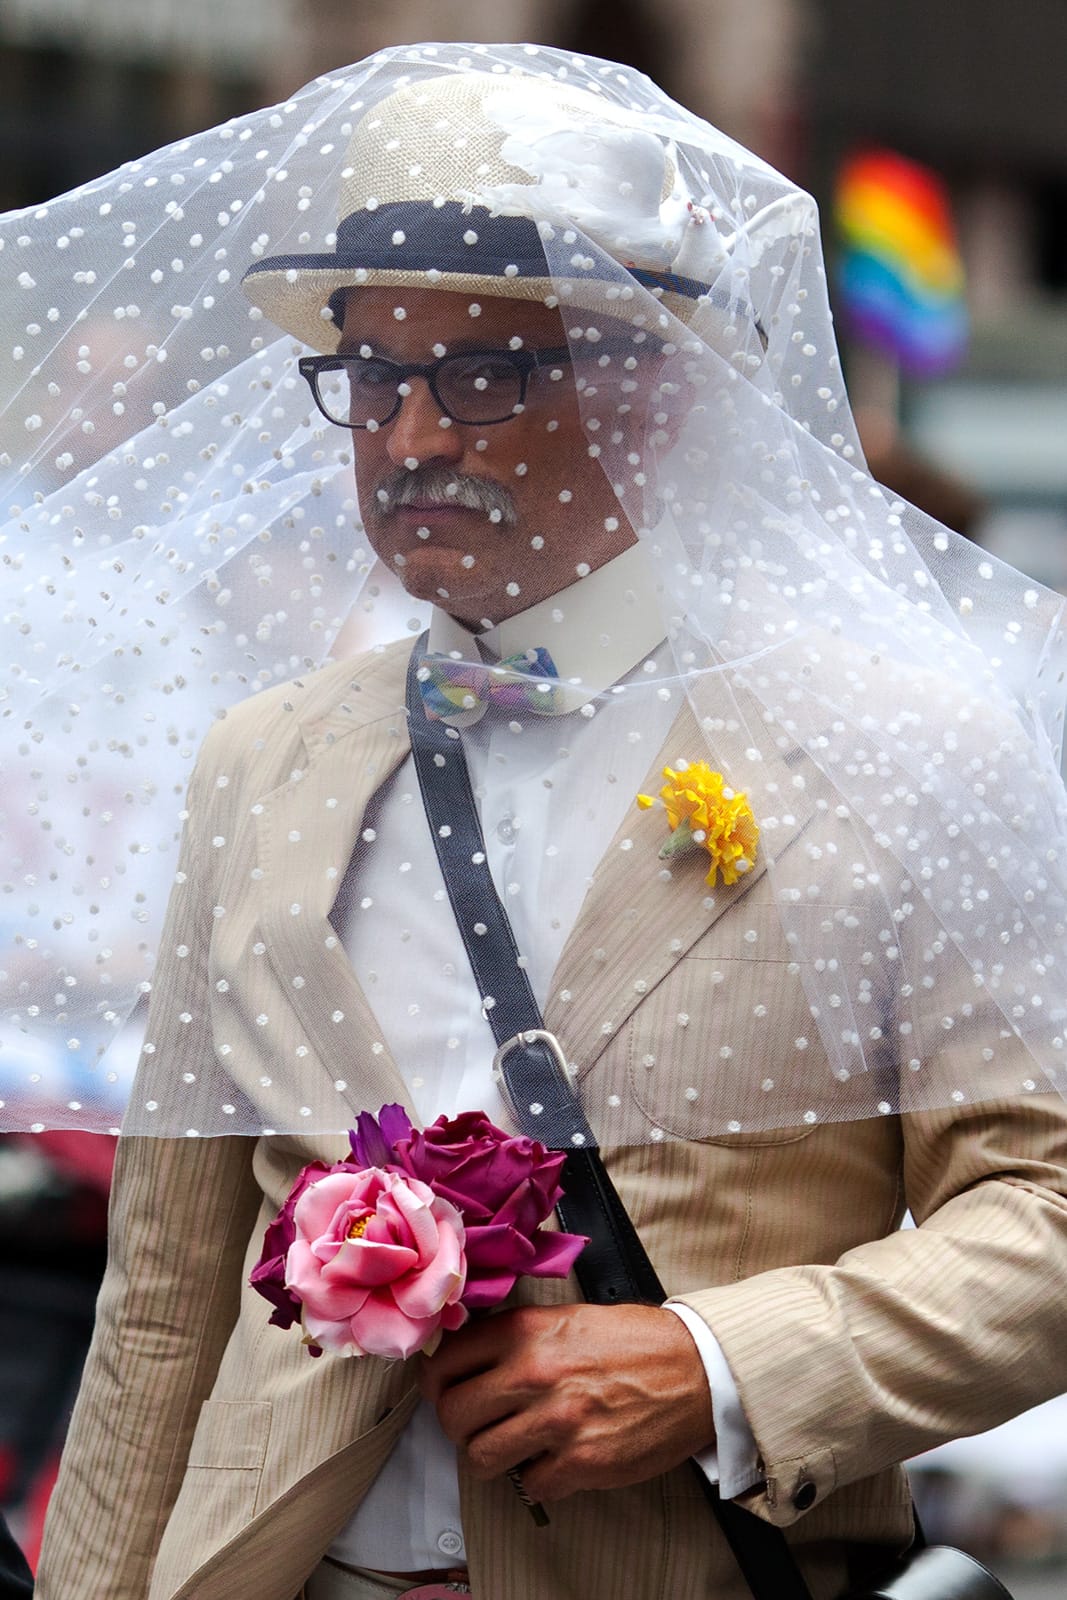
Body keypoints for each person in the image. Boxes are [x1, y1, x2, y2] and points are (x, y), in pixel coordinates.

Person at [27, 43, 1067, 1600]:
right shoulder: (265, 759)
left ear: (657, 396)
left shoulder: (890, 745)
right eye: (373, 373)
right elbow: (165, 1298)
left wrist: (714, 1366)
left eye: (484, 374)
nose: (411, 434)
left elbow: (1046, 1214)